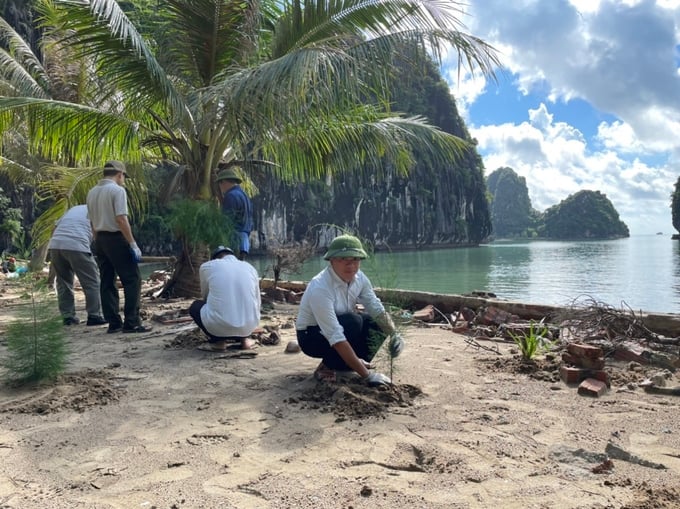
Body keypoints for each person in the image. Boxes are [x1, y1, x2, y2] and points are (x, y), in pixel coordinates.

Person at [295, 234, 405, 385]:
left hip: (341, 326)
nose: (350, 265)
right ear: (331, 260)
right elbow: (335, 335)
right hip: (312, 336)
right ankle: (326, 367)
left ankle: (346, 364)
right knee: (353, 321)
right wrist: (367, 376)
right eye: (343, 259)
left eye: (355, 259)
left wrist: (394, 334)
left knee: (374, 323)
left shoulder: (359, 278)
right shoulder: (320, 287)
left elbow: (375, 306)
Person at [86, 161, 151, 334]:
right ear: (119, 174)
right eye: (123, 177)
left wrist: (96, 240)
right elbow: (121, 219)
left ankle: (113, 322)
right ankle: (132, 322)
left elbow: (92, 221)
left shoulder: (92, 192)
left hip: (100, 238)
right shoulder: (117, 190)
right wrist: (132, 243)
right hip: (115, 237)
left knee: (107, 281)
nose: (123, 180)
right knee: (132, 279)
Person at [189, 245, 261, 351]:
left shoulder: (207, 266)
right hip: (248, 326)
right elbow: (257, 301)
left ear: (215, 258)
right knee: (245, 308)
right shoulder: (250, 268)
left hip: (218, 328)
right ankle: (245, 340)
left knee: (195, 307)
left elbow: (205, 295)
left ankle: (218, 342)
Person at [48, 204, 107, 326]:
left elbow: (54, 228)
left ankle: (68, 317)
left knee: (63, 282)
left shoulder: (73, 209)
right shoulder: (98, 209)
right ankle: (94, 315)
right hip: (77, 245)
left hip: (55, 245)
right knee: (92, 281)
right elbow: (97, 231)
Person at [216, 166, 253, 260]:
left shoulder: (231, 196)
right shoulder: (244, 195)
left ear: (223, 182)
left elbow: (227, 221)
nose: (220, 188)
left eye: (219, 184)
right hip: (244, 243)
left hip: (233, 241)